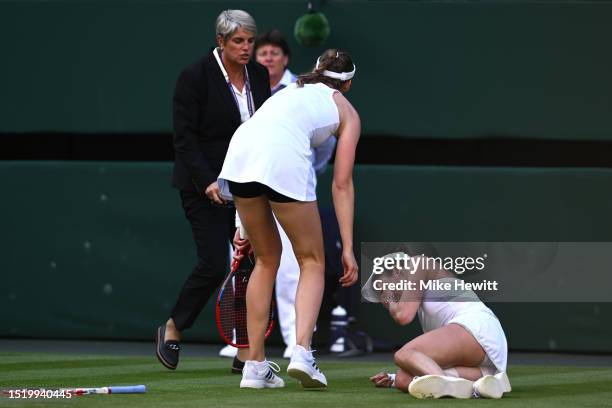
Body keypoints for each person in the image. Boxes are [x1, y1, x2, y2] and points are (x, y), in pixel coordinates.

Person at [217, 49, 361, 389]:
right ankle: (302, 354)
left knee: (266, 259)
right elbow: (342, 184)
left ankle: (254, 365)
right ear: (348, 84)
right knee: (311, 260)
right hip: (281, 156)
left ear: (316, 71)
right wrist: (349, 247)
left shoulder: (289, 91)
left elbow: (259, 143)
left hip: (240, 153)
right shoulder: (348, 112)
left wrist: (242, 226)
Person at [155, 9, 271, 373]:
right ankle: (174, 326)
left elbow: (263, 129)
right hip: (201, 185)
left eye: (251, 41)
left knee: (254, 266)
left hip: (247, 185)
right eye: (239, 41)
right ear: (221, 42)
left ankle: (246, 352)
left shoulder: (258, 74)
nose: (246, 48)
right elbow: (184, 140)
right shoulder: (194, 77)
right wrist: (207, 181)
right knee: (213, 264)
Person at [363, 251, 512, 399]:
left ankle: (448, 386)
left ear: (396, 271)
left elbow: (404, 316)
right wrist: (393, 379)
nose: (383, 299)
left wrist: (390, 299)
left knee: (404, 354)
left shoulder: (417, 263)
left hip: (476, 329)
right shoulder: (421, 302)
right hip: (483, 353)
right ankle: (482, 385)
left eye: (382, 289)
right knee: (403, 379)